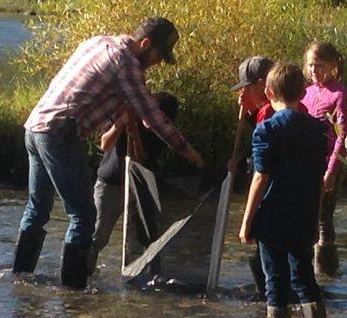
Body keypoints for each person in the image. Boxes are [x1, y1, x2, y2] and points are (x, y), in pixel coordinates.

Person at [13, 17, 204, 289]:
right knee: (83, 216)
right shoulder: (127, 64)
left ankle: (19, 279)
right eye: (160, 55)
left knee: (38, 208)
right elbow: (151, 116)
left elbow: (97, 95)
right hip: (59, 134)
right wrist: (186, 150)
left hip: (35, 128)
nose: (159, 62)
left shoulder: (97, 42)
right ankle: (73, 293)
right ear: (146, 44)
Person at [239, 63, 328, 318]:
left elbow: (260, 178)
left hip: (273, 217)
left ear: (268, 93)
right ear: (303, 94)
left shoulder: (266, 129)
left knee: (275, 282)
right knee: (304, 279)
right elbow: (319, 181)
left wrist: (247, 221)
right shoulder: (317, 129)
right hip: (304, 213)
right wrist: (315, 218)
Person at [88, 92, 179, 277]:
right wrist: (121, 123)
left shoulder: (160, 132)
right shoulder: (122, 112)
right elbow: (105, 144)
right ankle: (83, 272)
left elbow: (140, 159)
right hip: (110, 183)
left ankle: (137, 279)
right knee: (98, 236)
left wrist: (135, 134)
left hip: (138, 187)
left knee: (140, 239)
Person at [301, 42, 347, 276]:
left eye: (319, 66)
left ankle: (327, 272)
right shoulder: (307, 92)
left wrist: (331, 170)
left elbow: (343, 135)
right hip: (309, 161)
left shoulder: (340, 94)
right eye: (311, 65)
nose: (314, 71)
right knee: (307, 214)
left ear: (333, 66)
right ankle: (309, 269)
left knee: (324, 217)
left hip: (331, 161)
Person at [227, 56, 274, 300]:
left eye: (247, 87)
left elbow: (263, 165)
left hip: (270, 194)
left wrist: (248, 218)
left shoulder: (268, 113)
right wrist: (248, 113)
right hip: (283, 195)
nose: (244, 92)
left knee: (263, 256)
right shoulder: (268, 110)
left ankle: (268, 301)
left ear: (261, 84)